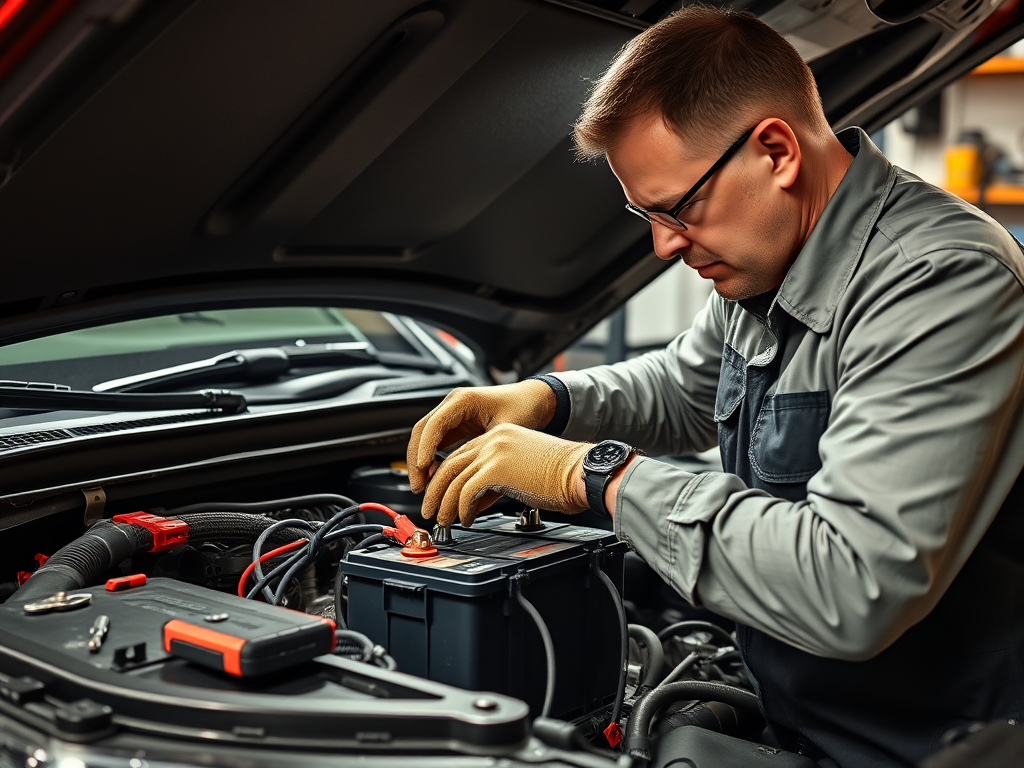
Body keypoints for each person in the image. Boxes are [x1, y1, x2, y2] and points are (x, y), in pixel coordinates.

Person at [405, 8, 1024, 767]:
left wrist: (591, 475)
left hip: (926, 746)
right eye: (645, 214)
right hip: (801, 715)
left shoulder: (937, 281)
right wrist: (548, 402)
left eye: (677, 208)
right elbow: (685, 387)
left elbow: (852, 582)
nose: (664, 245)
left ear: (775, 151)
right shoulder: (770, 259)